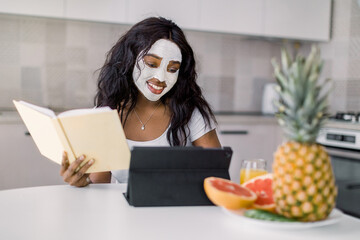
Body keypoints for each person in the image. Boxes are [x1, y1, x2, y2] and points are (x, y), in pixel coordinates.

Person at [60, 17, 221, 187]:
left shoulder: (189, 112)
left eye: (172, 69)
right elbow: (100, 187)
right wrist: (81, 181)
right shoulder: (105, 116)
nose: (160, 78)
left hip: (177, 210)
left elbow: (219, 178)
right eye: (151, 64)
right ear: (129, 60)